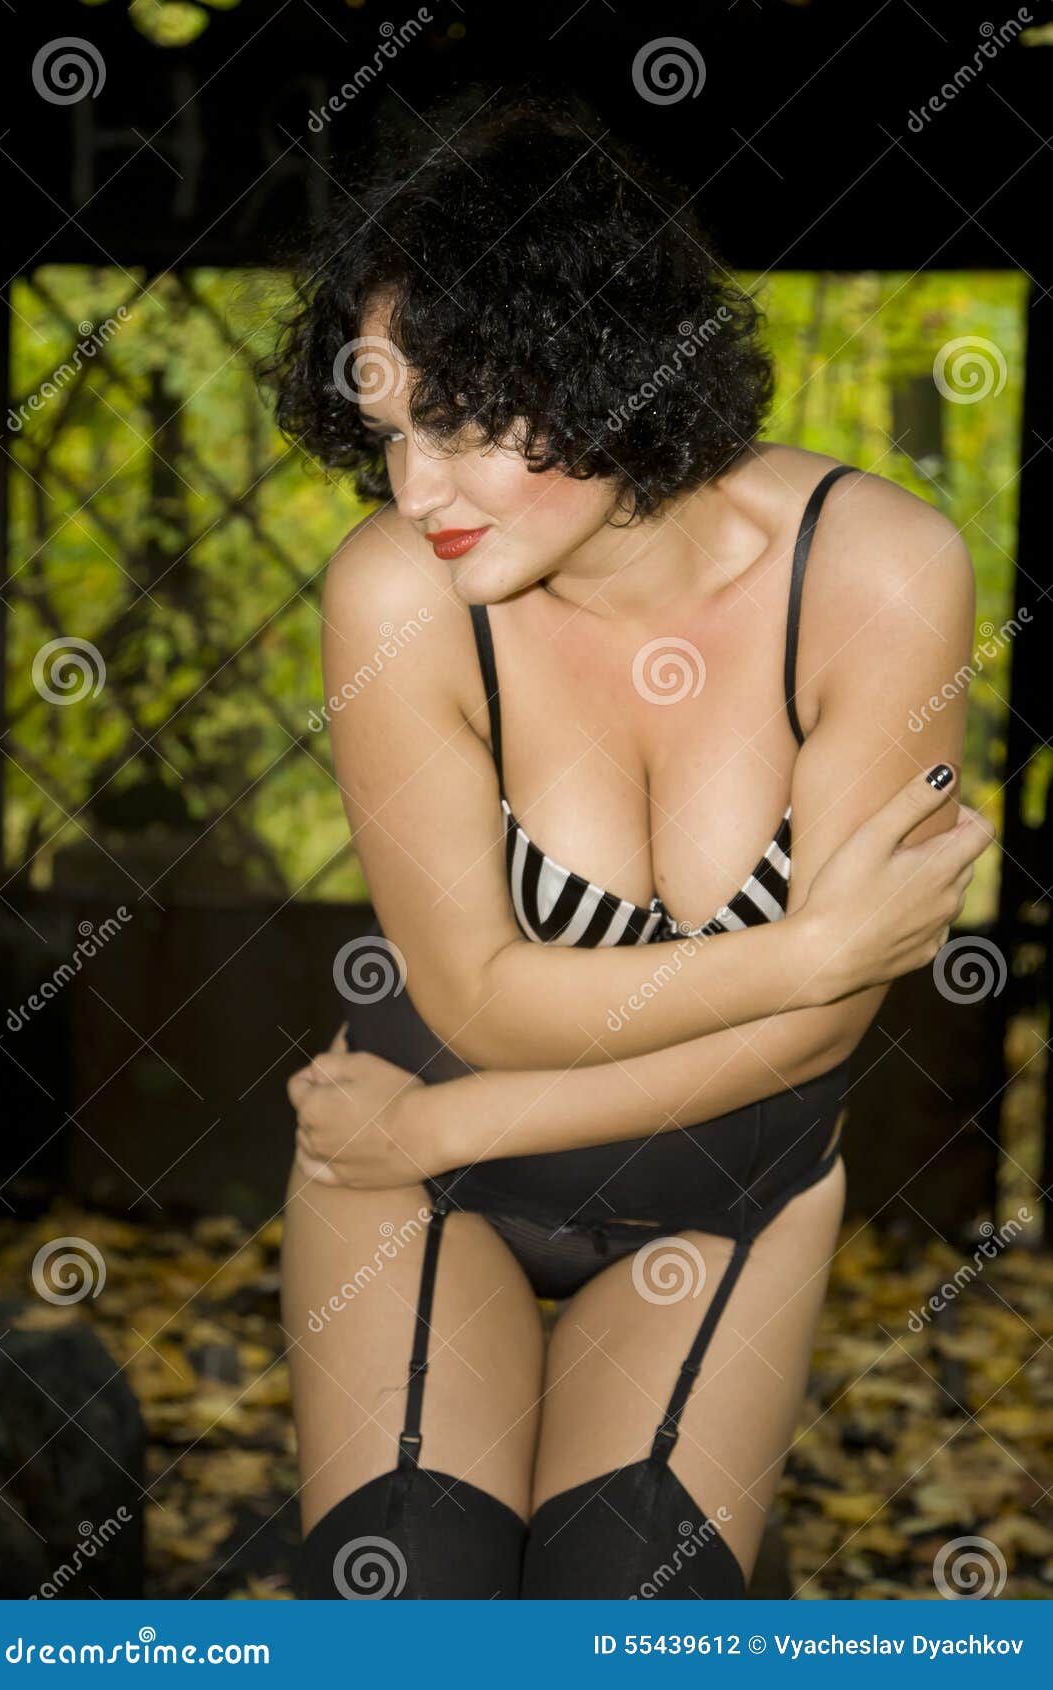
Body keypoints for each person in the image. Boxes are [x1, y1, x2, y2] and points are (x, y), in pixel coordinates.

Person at [263, 89, 995, 1600]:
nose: (417, 492)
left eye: (461, 427)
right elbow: (469, 995)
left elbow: (821, 1034)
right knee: (419, 1591)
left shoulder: (877, 575)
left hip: (716, 1193)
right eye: (391, 430)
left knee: (628, 1606)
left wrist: (445, 1123)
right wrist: (804, 947)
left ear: (601, 361)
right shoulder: (395, 596)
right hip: (404, 1180)